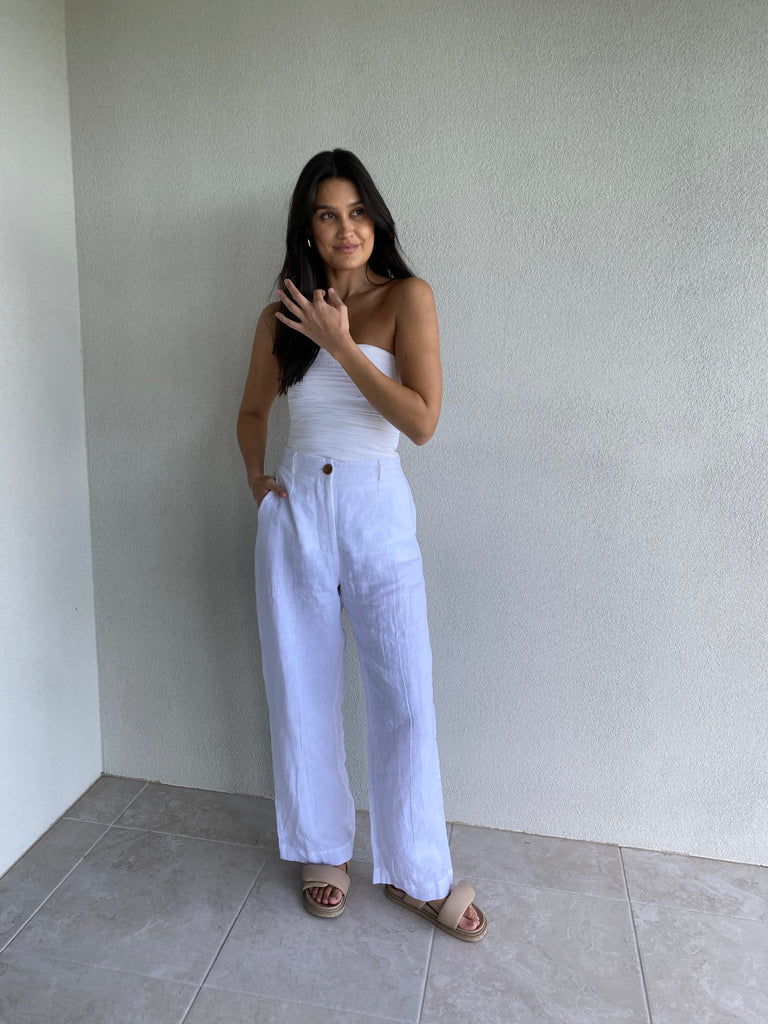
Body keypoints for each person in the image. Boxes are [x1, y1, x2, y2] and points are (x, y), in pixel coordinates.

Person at [237, 149, 486, 941]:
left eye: (357, 212)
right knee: (301, 690)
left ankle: (419, 872)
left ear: (375, 219)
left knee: (406, 702)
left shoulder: (409, 297)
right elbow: (250, 413)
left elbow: (421, 422)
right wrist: (256, 478)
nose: (346, 229)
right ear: (305, 230)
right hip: (299, 509)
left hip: (378, 510)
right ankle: (320, 848)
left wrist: (341, 344)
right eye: (326, 214)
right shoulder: (279, 315)